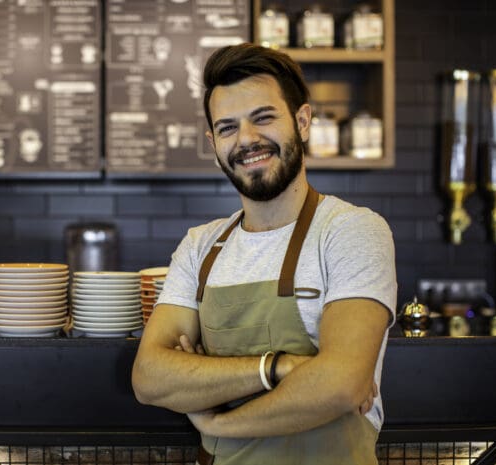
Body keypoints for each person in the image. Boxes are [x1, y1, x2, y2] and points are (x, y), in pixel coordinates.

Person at [131, 42, 396, 465]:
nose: (247, 140)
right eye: (227, 127)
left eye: (263, 118)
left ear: (303, 121)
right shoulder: (200, 246)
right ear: (213, 142)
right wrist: (282, 367)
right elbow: (150, 378)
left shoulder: (351, 231)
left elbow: (343, 384)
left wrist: (220, 424)